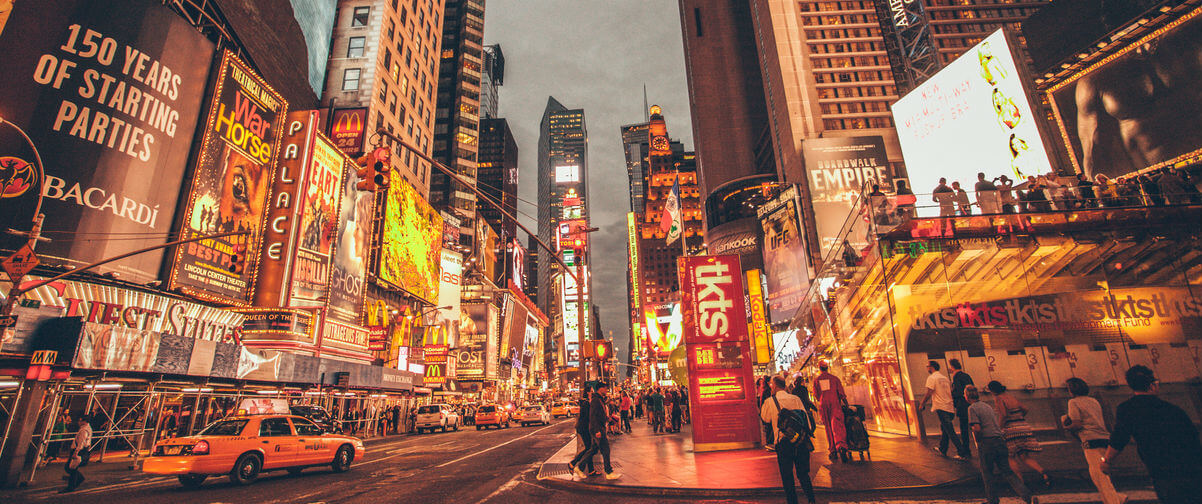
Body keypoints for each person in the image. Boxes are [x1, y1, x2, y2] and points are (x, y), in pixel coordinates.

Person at [1103, 365, 1202, 504]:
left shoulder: (1127, 409)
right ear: (1152, 386)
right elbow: (1193, 438)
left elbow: (1119, 438)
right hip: (1191, 469)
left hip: (1161, 470)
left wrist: (1107, 461)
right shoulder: (1173, 409)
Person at [966, 386, 1037, 504]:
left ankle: (992, 500)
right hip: (1000, 441)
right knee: (1007, 472)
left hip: (987, 442)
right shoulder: (987, 406)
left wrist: (978, 440)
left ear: (967, 396)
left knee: (987, 473)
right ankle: (1027, 495)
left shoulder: (972, 408)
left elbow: (977, 428)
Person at [1061, 378, 1124, 504]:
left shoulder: (1073, 402)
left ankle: (1114, 501)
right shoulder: (1094, 401)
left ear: (1071, 390)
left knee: (1100, 477)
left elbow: (1077, 424)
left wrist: (1065, 425)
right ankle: (1118, 498)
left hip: (1090, 440)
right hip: (1104, 439)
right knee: (1099, 474)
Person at [760, 376, 816, 504]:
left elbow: (765, 418)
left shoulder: (770, 401)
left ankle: (792, 501)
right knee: (803, 474)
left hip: (783, 442)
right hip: (800, 441)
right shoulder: (796, 399)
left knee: (787, 475)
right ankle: (811, 499)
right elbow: (806, 421)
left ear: (774, 386)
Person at [986, 381, 1049, 486]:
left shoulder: (998, 399)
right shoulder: (1011, 397)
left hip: (1011, 430)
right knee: (1024, 456)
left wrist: (999, 429)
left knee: (1009, 456)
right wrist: (1019, 418)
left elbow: (1004, 415)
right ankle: (1043, 472)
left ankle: (1020, 483)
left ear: (993, 391)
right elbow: (1025, 409)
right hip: (1023, 426)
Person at [921, 361, 968, 460]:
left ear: (932, 367)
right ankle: (943, 448)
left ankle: (961, 452)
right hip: (949, 406)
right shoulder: (945, 378)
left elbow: (929, 392)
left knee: (950, 430)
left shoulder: (932, 378)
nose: (926, 368)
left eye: (927, 366)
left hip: (941, 406)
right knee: (945, 428)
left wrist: (922, 404)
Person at [577, 383, 620, 480]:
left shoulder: (599, 399)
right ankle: (609, 472)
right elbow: (593, 416)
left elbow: (600, 414)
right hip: (598, 429)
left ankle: (580, 467)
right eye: (605, 388)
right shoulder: (596, 400)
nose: (606, 390)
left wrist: (609, 419)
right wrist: (597, 430)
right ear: (600, 389)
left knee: (594, 450)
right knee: (605, 449)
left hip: (600, 427)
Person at [813, 361, 849, 462]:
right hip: (834, 404)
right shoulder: (834, 379)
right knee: (837, 426)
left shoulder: (817, 380)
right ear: (827, 368)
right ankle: (841, 447)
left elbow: (816, 395)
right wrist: (847, 404)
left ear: (820, 369)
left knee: (828, 428)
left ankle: (832, 451)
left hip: (823, 405)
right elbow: (841, 393)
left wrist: (822, 399)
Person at [948, 359, 974, 458]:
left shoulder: (956, 377)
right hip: (971, 403)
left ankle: (966, 451)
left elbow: (958, 392)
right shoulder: (966, 376)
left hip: (962, 405)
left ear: (952, 367)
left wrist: (951, 394)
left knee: (964, 429)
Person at [568, 386, 595, 477]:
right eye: (592, 391)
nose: (593, 392)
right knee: (589, 448)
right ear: (588, 392)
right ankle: (573, 463)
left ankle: (591, 470)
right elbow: (587, 417)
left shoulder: (586, 402)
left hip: (583, 428)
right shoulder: (586, 403)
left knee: (589, 448)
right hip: (584, 428)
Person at [61, 415, 93, 493]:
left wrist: (76, 453)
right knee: (71, 468)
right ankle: (77, 480)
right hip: (83, 450)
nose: (79, 422)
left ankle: (72, 485)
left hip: (79, 451)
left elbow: (81, 443)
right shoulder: (88, 428)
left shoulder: (83, 431)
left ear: (84, 421)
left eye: (80, 420)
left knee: (71, 468)